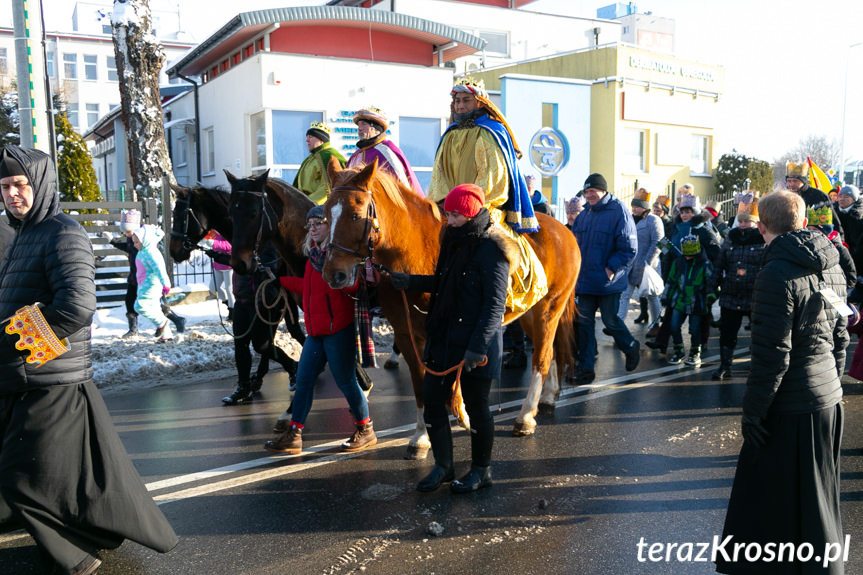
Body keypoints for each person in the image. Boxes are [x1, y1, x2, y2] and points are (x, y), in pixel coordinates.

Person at [0, 145, 177, 574]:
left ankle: (75, 559)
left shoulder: (63, 233)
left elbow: (77, 306)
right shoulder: (23, 233)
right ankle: (94, 532)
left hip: (51, 379)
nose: (11, 194)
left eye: (20, 184)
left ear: (40, 183)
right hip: (23, 378)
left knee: (19, 477)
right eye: (4, 186)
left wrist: (15, 339)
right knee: (65, 476)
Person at [716, 191, 848, 575]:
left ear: (761, 227)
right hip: (826, 399)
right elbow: (842, 334)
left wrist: (753, 412)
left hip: (793, 404)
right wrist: (832, 384)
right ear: (804, 222)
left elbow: (772, 354)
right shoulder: (833, 263)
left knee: (774, 501)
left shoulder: (775, 272)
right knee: (817, 497)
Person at [389, 184, 513, 493]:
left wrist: (477, 347)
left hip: (475, 344)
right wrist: (410, 281)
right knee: (432, 400)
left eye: (455, 215)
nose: (449, 219)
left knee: (477, 406)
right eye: (447, 214)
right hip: (444, 338)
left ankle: (482, 470)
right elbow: (445, 282)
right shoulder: (452, 240)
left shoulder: (492, 250)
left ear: (470, 213)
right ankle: (444, 467)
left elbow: (494, 305)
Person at [428, 77, 546, 315]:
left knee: (494, 243)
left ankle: (502, 296)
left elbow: (493, 179)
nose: (460, 106)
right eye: (457, 101)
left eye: (466, 101)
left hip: (480, 206)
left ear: (480, 102)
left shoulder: (490, 132)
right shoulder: (450, 134)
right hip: (449, 206)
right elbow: (438, 175)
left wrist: (467, 206)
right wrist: (441, 203)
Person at [265, 205, 376, 454]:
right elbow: (309, 287)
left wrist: (342, 279)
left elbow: (353, 287)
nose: (313, 229)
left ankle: (365, 429)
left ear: (330, 226)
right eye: (310, 225)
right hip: (316, 333)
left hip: (339, 329)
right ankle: (294, 434)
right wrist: (279, 281)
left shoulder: (340, 255)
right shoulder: (313, 257)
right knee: (303, 382)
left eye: (319, 223)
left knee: (346, 382)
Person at [208, 241, 299, 406]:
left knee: (261, 345)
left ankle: (292, 366)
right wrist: (219, 256)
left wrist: (223, 258)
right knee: (240, 344)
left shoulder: (268, 243)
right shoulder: (240, 241)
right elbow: (239, 262)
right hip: (242, 300)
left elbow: (255, 265)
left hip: (262, 300)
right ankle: (243, 387)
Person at [570, 173, 640, 384]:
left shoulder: (618, 211)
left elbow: (629, 248)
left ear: (604, 191)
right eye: (586, 191)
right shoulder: (584, 215)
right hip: (585, 282)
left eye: (593, 191)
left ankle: (631, 346)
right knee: (584, 325)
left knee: (611, 320)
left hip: (608, 281)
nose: (589, 195)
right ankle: (586, 368)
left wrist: (610, 270)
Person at [707, 195, 765, 380]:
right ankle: (725, 365)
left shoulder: (763, 241)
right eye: (740, 220)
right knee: (727, 332)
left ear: (755, 223)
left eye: (747, 221)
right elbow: (719, 264)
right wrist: (711, 287)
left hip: (755, 295)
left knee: (759, 334)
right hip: (731, 293)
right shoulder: (730, 239)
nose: (743, 224)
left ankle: (758, 366)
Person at [105, 209, 186, 338]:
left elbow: (158, 266)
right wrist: (113, 241)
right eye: (124, 232)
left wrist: (165, 283)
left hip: (146, 279)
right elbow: (128, 249)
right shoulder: (135, 240)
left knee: (148, 305)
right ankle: (136, 329)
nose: (126, 234)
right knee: (133, 302)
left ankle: (173, 320)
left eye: (128, 231)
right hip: (135, 277)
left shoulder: (144, 242)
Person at [661, 234, 713, 366]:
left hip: (697, 302)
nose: (688, 257)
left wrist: (710, 298)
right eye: (686, 254)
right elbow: (671, 281)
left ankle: (695, 353)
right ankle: (679, 351)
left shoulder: (705, 264)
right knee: (674, 326)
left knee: (695, 329)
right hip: (680, 300)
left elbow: (711, 284)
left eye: (691, 255)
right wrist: (666, 297)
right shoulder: (678, 262)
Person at [346, 106, 423, 195]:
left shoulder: (386, 151)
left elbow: (402, 185)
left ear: (376, 129)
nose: (359, 128)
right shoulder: (355, 157)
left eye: (363, 124)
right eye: (358, 125)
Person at [618, 188, 663, 330]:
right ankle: (618, 325)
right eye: (633, 206)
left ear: (645, 208)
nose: (634, 209)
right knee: (625, 295)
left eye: (637, 206)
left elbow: (658, 242)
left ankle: (656, 323)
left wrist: (647, 263)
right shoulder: (630, 219)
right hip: (631, 266)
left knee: (652, 296)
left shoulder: (653, 220)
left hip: (647, 267)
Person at [131, 224, 178, 342]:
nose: (135, 245)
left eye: (137, 242)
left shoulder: (151, 252)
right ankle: (167, 335)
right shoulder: (143, 251)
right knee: (155, 308)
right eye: (134, 242)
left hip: (151, 285)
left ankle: (162, 323)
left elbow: (160, 269)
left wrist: (166, 284)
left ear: (145, 240)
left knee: (140, 306)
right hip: (144, 285)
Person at [785, 160, 844, 240]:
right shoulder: (783, 196)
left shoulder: (819, 195)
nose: (791, 184)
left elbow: (833, 222)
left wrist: (838, 241)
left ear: (803, 181)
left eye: (795, 181)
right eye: (789, 181)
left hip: (814, 240)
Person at [293, 122, 346, 205]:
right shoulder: (309, 159)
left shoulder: (329, 156)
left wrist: (307, 202)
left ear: (321, 140)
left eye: (310, 137)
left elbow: (328, 187)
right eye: (307, 137)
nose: (307, 140)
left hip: (318, 206)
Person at [207, 231, 234, 321]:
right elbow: (209, 242)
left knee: (229, 289)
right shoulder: (215, 233)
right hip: (218, 265)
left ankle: (232, 312)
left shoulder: (229, 231)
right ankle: (227, 301)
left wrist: (214, 244)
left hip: (228, 266)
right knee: (213, 288)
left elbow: (229, 246)